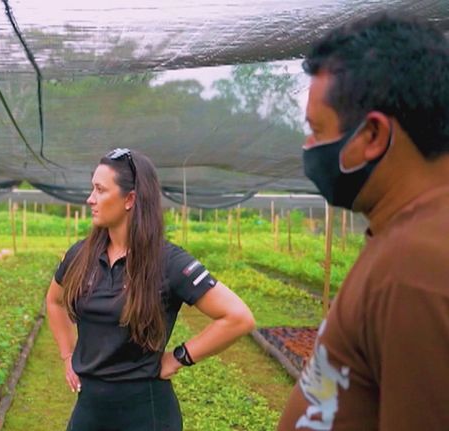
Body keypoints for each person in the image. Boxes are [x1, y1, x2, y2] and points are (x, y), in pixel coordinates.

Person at [279, 13, 449, 430]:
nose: (309, 147)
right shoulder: (403, 235)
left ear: (372, 135)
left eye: (317, 131)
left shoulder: (418, 266)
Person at [46, 148, 255, 431]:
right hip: (90, 409)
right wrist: (66, 355)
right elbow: (55, 301)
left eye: (100, 190)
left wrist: (179, 358)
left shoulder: (168, 262)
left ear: (130, 199)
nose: (90, 199)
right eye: (92, 188)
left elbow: (238, 317)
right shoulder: (80, 255)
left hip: (146, 413)